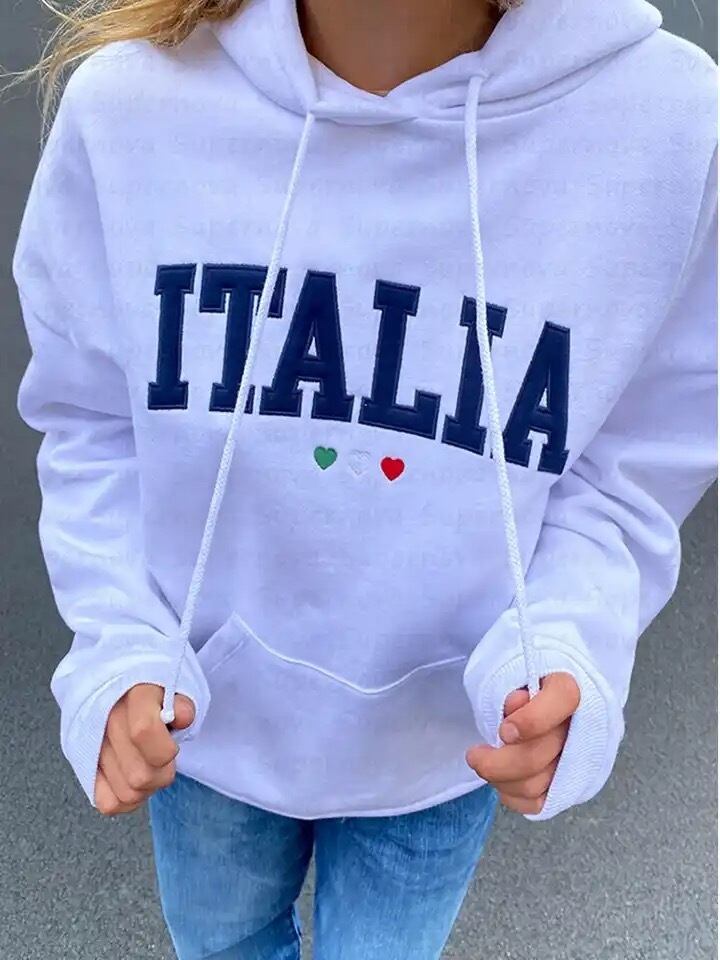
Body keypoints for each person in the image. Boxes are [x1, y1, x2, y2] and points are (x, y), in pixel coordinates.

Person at [13, 0, 717, 957]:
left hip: (442, 741)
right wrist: (120, 641)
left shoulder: (664, 128)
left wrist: (565, 639)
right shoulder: (131, 107)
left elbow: (631, 463)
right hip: (202, 724)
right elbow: (93, 421)